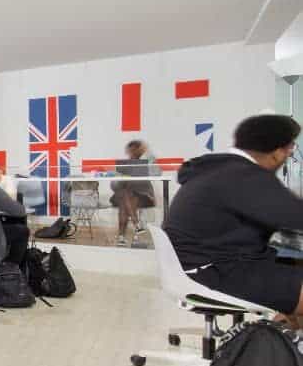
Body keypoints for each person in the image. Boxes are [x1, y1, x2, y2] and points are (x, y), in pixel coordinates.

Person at [165, 114, 303, 323]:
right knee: (292, 255)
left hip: (201, 263)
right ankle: (278, 342)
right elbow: (296, 217)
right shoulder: (245, 176)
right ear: (276, 153)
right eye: (289, 149)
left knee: (292, 253)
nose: (289, 155)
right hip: (214, 272)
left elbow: (285, 223)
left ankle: (281, 339)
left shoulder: (219, 170)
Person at [111, 139, 156, 245]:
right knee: (126, 196)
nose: (132, 152)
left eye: (135, 150)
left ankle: (122, 236)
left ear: (140, 150)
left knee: (125, 199)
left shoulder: (149, 160)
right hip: (128, 194)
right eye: (131, 150)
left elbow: (156, 173)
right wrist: (120, 177)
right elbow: (115, 184)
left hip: (144, 193)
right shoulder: (124, 165)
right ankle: (136, 224)